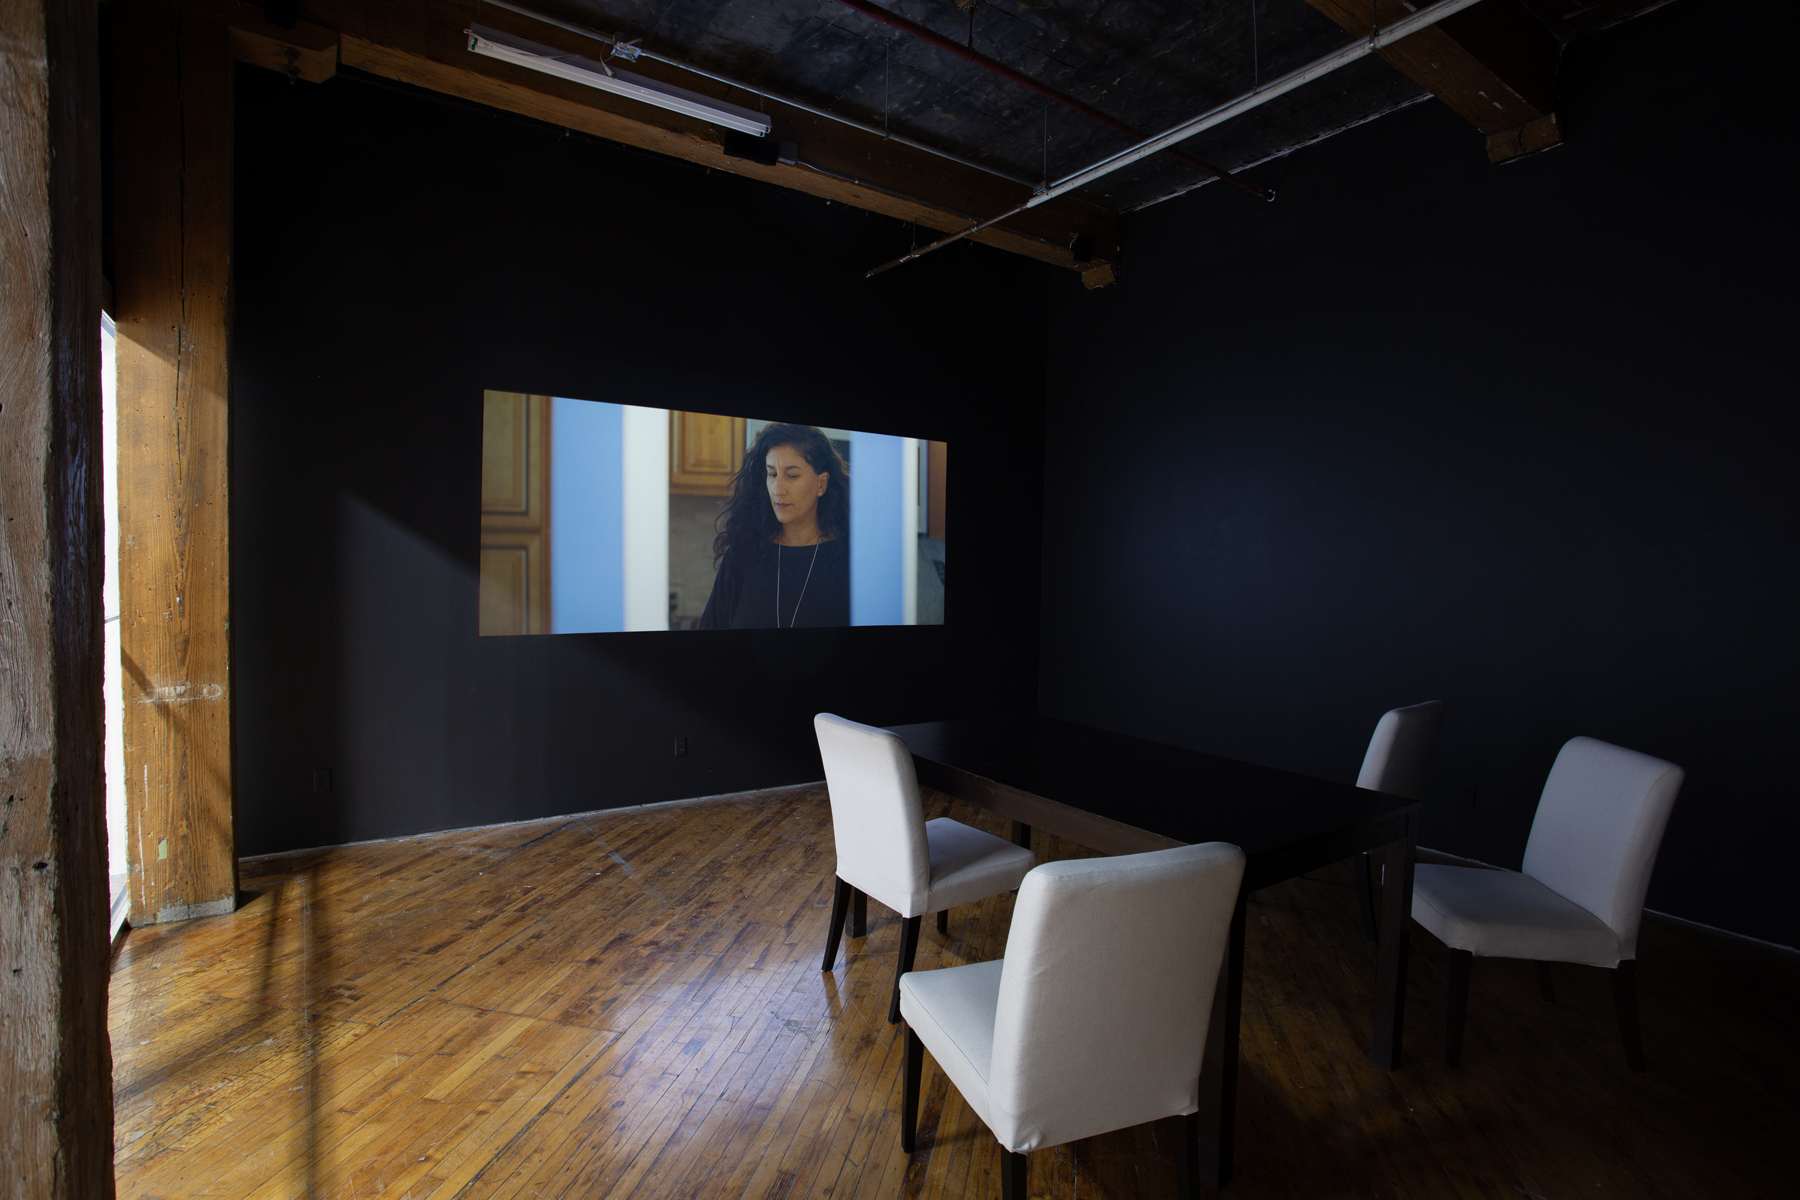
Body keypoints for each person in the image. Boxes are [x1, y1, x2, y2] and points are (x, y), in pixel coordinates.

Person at [697, 423, 850, 628]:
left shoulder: (850, 560)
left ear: (821, 484)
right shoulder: (742, 556)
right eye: (772, 474)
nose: (778, 489)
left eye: (792, 475)